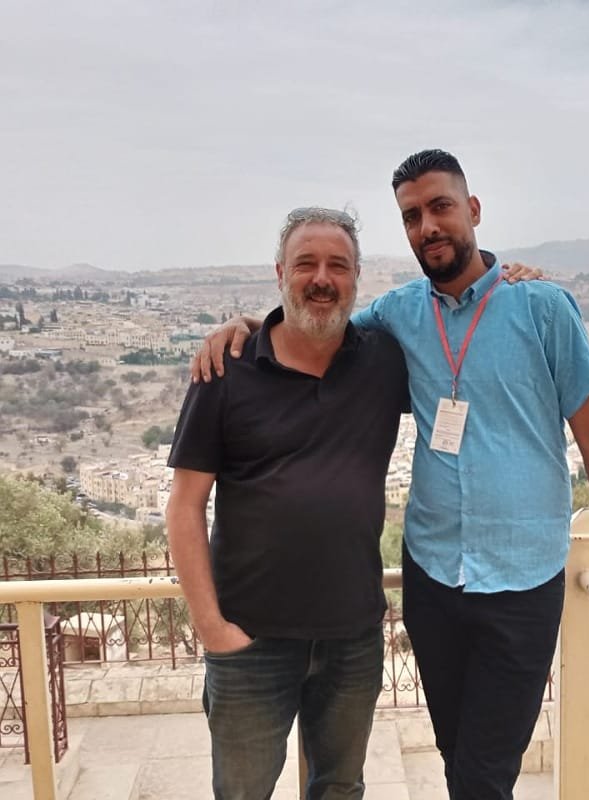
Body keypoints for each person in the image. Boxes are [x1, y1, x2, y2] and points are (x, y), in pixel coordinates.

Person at [193, 149, 589, 800]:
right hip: (434, 579)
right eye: (412, 215)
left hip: (523, 580)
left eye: (440, 207)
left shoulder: (543, 307)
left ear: (472, 210)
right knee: (455, 755)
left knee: (483, 774)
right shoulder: (398, 316)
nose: (428, 226)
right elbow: (313, 331)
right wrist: (246, 326)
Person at [166, 207, 411, 799]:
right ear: (280, 272)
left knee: (340, 788)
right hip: (250, 640)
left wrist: (511, 281)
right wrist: (211, 627)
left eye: (337, 265)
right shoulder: (227, 369)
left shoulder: (383, 359)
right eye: (306, 263)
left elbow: (461, 334)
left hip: (352, 637)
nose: (321, 278)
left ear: (356, 278)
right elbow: (184, 505)